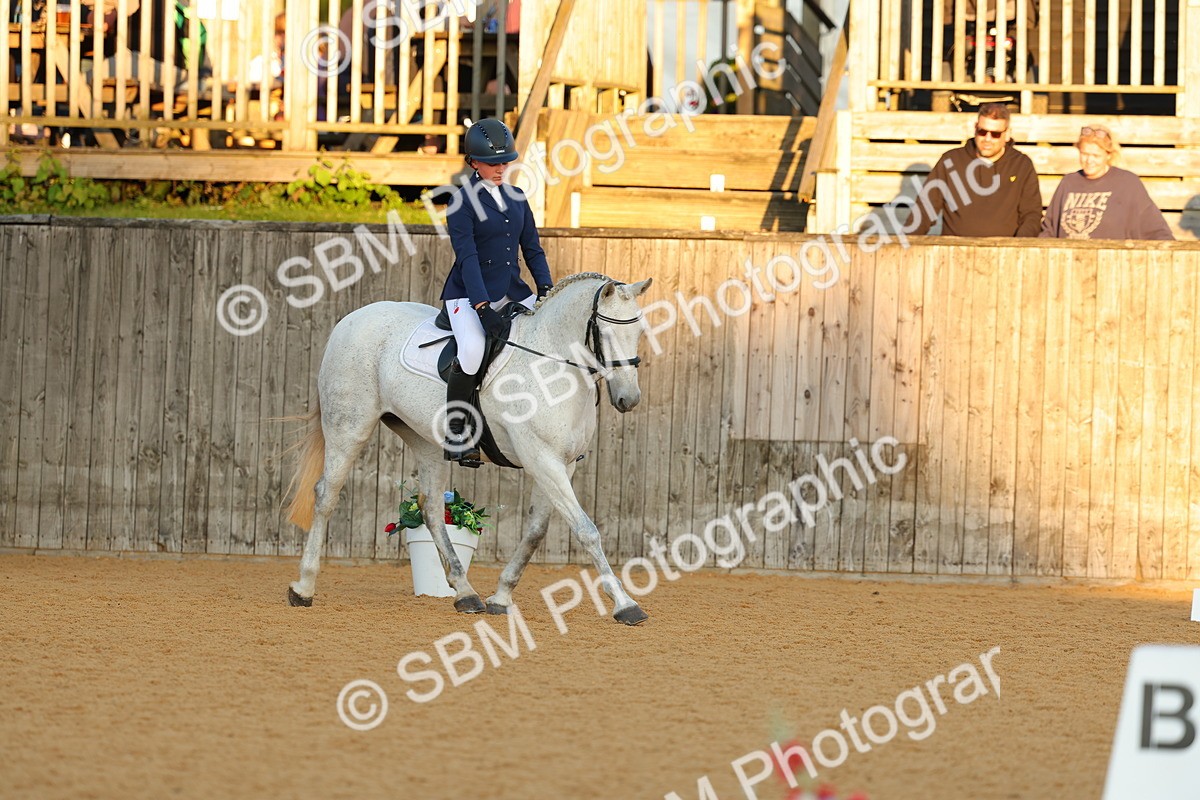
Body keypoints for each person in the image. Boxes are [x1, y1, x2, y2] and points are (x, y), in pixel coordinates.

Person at [440, 118, 553, 466]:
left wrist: (547, 287)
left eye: (505, 161)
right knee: (473, 350)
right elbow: (468, 257)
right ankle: (457, 431)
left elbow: (532, 250)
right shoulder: (460, 202)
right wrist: (482, 306)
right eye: (494, 163)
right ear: (475, 162)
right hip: (468, 294)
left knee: (550, 338)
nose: (501, 168)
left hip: (513, 291)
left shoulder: (517, 198)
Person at [908, 103, 1042, 236]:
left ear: (1007, 135)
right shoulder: (951, 161)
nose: (987, 139)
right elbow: (925, 209)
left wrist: (1019, 245)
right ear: (975, 128)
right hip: (955, 247)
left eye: (995, 134)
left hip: (1004, 248)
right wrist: (906, 243)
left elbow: (1031, 215)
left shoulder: (1021, 165)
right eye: (982, 132)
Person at [1039, 125, 1174, 240]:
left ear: (1108, 155)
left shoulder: (1127, 183)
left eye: (1096, 155)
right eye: (1084, 154)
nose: (1089, 160)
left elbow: (1155, 229)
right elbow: (1049, 229)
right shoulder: (1068, 182)